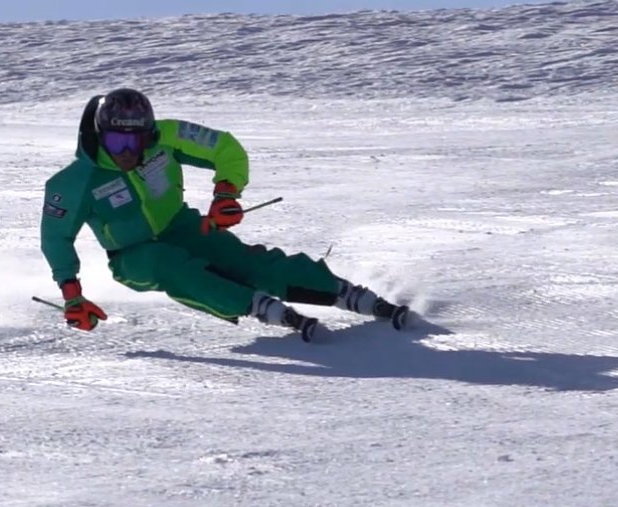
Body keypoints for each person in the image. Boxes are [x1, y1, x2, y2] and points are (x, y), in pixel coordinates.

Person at [39, 87, 409, 342]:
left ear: (149, 134)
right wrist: (72, 295)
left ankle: (346, 294)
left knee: (244, 262)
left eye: (136, 142)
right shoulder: (74, 182)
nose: (127, 152)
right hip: (132, 255)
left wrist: (227, 194)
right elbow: (56, 238)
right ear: (101, 136)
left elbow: (225, 148)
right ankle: (254, 305)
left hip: (181, 225)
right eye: (118, 142)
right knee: (170, 265)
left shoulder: (166, 136)